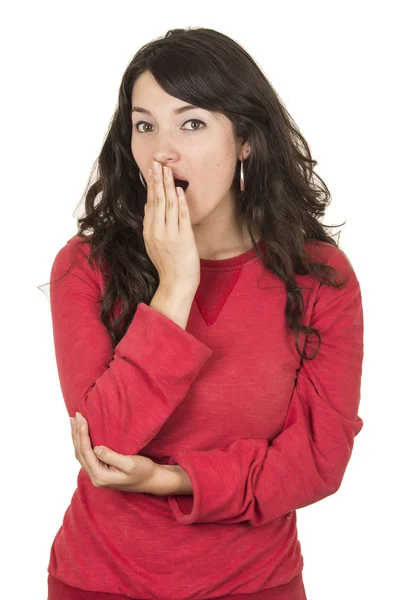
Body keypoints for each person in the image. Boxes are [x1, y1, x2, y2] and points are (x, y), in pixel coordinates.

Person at [44, 26, 364, 600]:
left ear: (245, 138)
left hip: (256, 586)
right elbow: (105, 444)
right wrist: (175, 288)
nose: (162, 150)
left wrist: (174, 479)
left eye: (191, 123)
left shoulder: (321, 278)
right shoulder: (85, 266)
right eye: (145, 125)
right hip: (99, 583)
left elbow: (318, 459)